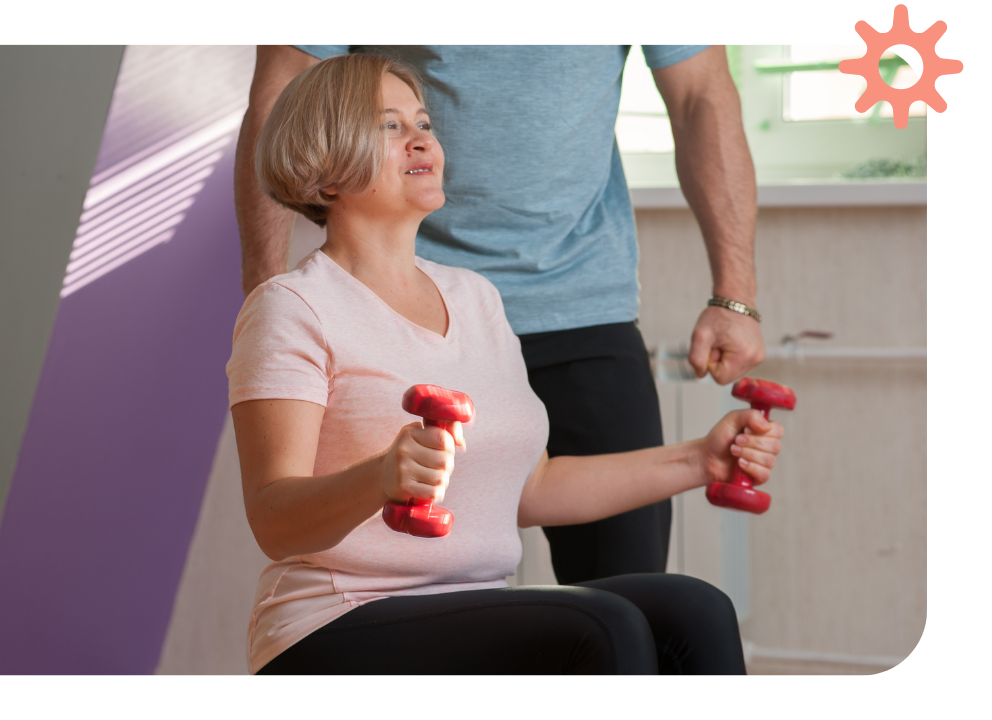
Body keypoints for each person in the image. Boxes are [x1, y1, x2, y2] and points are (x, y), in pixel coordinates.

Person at [227, 54, 783, 674]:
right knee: (604, 624)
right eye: (389, 126)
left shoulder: (475, 298)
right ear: (323, 169)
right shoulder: (292, 308)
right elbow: (274, 520)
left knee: (692, 606)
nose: (421, 138)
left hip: (468, 608)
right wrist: (378, 477)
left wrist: (699, 459)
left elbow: (533, 486)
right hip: (335, 619)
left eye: (424, 122)